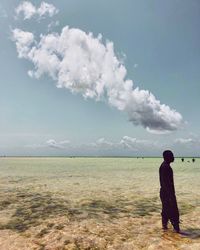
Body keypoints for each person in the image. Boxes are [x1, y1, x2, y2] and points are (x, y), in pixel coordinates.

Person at [159, 150, 180, 233]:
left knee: (166, 211)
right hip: (167, 193)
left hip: (165, 193)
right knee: (174, 212)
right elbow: (165, 183)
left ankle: (165, 230)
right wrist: (171, 196)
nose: (173, 157)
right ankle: (177, 232)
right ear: (167, 157)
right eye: (172, 155)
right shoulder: (166, 167)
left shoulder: (164, 166)